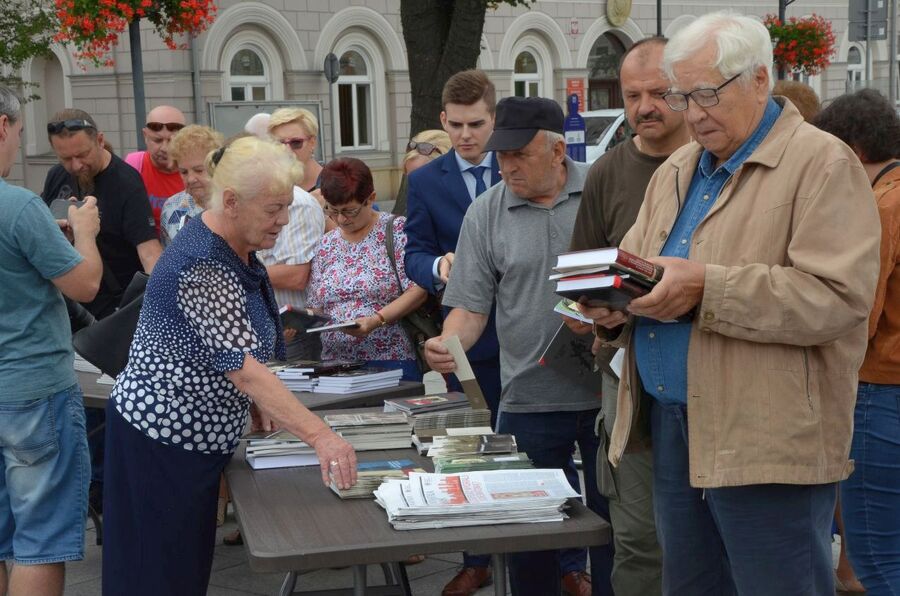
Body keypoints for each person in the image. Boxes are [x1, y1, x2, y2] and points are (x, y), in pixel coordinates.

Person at [582, 12, 881, 595]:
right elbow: (640, 269)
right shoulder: (676, 168)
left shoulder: (822, 162)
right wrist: (612, 309)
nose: (692, 112)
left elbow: (837, 300)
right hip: (670, 428)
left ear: (760, 79)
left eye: (707, 93)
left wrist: (705, 288)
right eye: (681, 95)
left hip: (765, 437)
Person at [101, 137, 358, 596]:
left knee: (180, 565)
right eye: (274, 209)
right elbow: (241, 366)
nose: (283, 220)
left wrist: (253, 401)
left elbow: (232, 354)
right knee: (156, 572)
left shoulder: (231, 239)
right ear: (233, 202)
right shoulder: (202, 261)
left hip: (187, 435)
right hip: (162, 438)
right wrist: (321, 436)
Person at [424, 96, 612, 596]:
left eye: (519, 155)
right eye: (500, 155)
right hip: (529, 396)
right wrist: (448, 344)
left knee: (618, 535)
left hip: (612, 395)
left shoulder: (601, 189)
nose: (505, 166)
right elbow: (469, 308)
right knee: (530, 539)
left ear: (556, 151)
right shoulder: (486, 212)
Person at [568, 36, 688, 596]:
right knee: (638, 534)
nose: (644, 107)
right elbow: (576, 286)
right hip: (627, 376)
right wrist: (594, 315)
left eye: (660, 92)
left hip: (709, 372)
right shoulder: (607, 173)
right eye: (632, 94)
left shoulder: (717, 167)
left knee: (708, 535)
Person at [404, 72, 504, 595]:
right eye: (457, 125)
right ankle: (477, 559)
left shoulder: (517, 166)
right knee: (473, 448)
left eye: (478, 124)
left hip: (526, 331)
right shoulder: (425, 181)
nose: (467, 135)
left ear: (494, 118)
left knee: (541, 445)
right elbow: (412, 252)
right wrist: (436, 268)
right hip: (466, 336)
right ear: (443, 121)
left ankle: (563, 563)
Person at [0, 86, 102, 596]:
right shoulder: (18, 206)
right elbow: (85, 284)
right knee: (40, 540)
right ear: (2, 126)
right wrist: (84, 231)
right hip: (32, 388)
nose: (18, 145)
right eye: (19, 133)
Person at [814, 88, 900, 595]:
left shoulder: (882, 204)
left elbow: (857, 314)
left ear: (853, 151)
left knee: (877, 557)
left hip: (880, 389)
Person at [306, 158, 427, 382]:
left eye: (349, 211)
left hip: (390, 358)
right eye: (332, 211)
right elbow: (316, 304)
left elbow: (418, 289)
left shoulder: (397, 230)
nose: (341, 219)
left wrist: (376, 320)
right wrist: (298, 321)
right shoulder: (327, 244)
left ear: (371, 198)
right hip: (335, 363)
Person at [261, 108, 327, 309]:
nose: (287, 150)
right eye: (279, 143)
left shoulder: (336, 182)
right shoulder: (267, 187)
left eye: (296, 143)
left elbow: (362, 236)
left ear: (313, 142)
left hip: (317, 310)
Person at [159, 125, 224, 246]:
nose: (190, 179)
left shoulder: (233, 205)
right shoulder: (171, 207)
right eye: (184, 172)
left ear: (216, 165)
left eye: (199, 170)